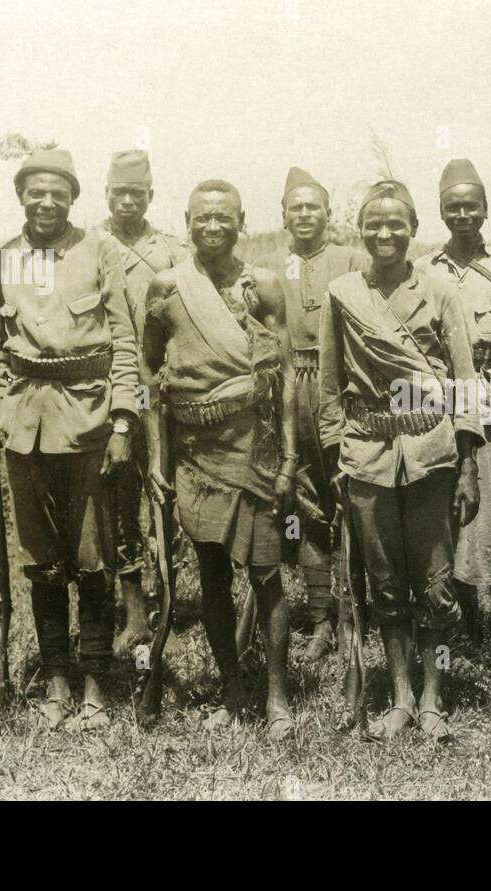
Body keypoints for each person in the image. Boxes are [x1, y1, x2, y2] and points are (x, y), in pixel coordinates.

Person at [317, 179, 483, 742]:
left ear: (414, 230)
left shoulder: (439, 290)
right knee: (385, 584)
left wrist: (467, 465)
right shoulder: (341, 293)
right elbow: (329, 386)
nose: (384, 233)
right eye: (373, 224)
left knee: (434, 582)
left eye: (396, 224)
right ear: (359, 230)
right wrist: (337, 458)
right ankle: (401, 697)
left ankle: (434, 699)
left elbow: (465, 381)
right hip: (365, 454)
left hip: (432, 453)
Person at [0, 148, 138, 731]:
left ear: (73, 197)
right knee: (42, 561)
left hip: (89, 421)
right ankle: (55, 682)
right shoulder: (2, 258)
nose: (46, 203)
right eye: (35, 192)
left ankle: (96, 682)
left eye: (58, 193)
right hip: (23, 426)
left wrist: (123, 421)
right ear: (21, 195)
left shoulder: (101, 251)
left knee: (93, 558)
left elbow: (124, 342)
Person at [141, 180, 298, 741]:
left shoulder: (266, 286)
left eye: (223, 218)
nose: (212, 227)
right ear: (186, 221)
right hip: (194, 453)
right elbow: (149, 377)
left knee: (266, 574)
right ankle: (233, 690)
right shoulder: (166, 286)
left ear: (242, 221)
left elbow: (283, 379)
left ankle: (277, 697)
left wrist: (288, 456)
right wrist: (157, 455)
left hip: (252, 447)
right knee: (210, 576)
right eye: (202, 218)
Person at [414, 159, 491, 654]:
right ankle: (460, 623)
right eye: (452, 206)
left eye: (471, 206)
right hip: (444, 403)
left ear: (485, 209)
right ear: (440, 212)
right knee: (455, 512)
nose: (463, 215)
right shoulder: (422, 270)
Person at [257, 167, 367, 665]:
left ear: (328, 213)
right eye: (294, 208)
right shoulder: (266, 270)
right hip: (287, 388)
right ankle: (321, 618)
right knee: (303, 507)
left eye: (313, 207)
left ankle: (355, 616)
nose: (304, 215)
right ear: (283, 216)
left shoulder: (353, 261)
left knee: (349, 497)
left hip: (339, 385)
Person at [93, 149, 187, 654]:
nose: (127, 201)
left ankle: (166, 597)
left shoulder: (172, 250)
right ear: (106, 193)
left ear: (150, 195)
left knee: (165, 490)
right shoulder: (89, 246)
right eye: (119, 193)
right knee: (118, 498)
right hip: (106, 391)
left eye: (137, 193)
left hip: (165, 391)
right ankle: (131, 608)